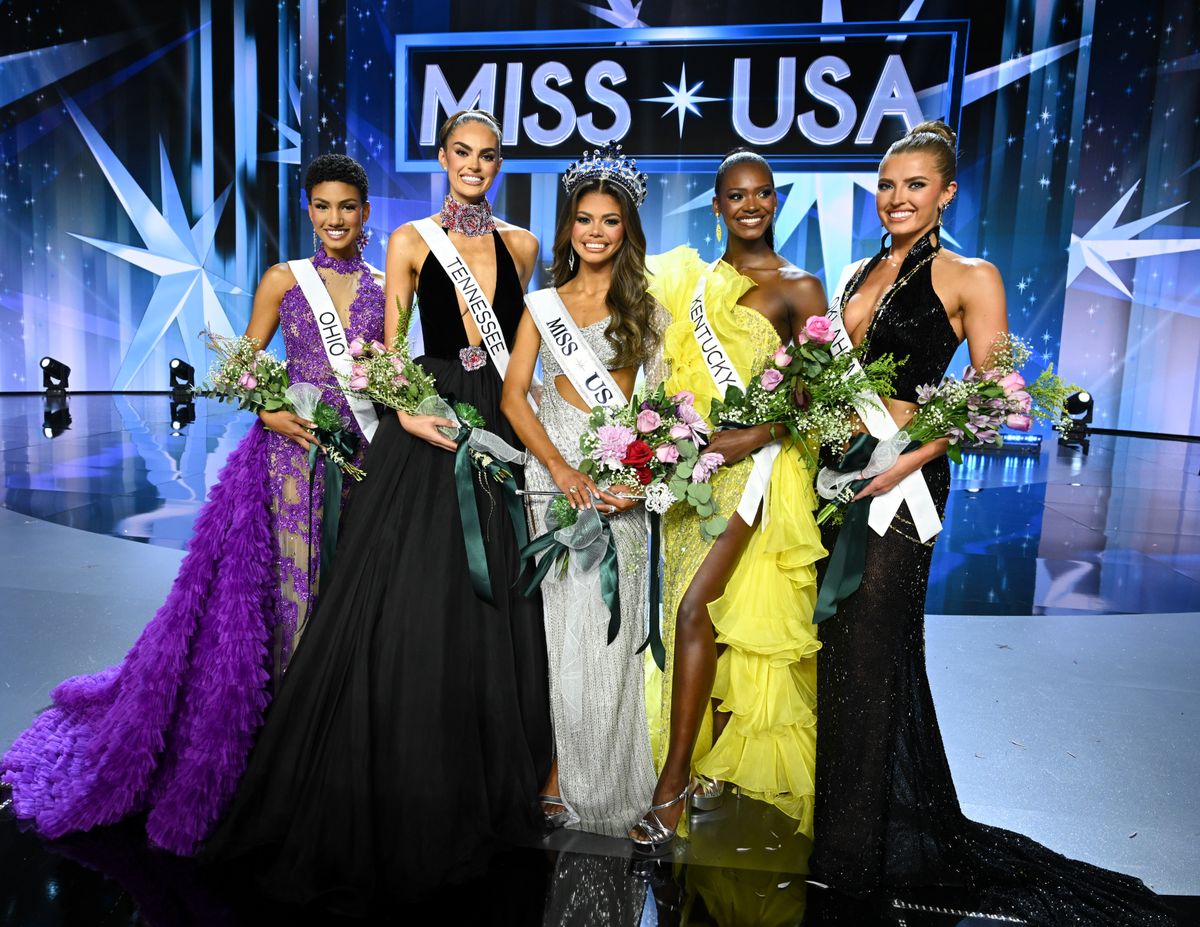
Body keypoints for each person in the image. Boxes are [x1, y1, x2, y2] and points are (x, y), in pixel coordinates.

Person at [811, 120, 1175, 924]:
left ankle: (853, 856)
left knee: (874, 644)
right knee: (841, 648)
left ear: (945, 193)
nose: (897, 198)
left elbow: (989, 389)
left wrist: (906, 456)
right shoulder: (858, 272)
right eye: (886, 184)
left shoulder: (971, 274)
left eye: (915, 185)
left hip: (906, 480)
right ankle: (844, 831)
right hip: (840, 475)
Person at [202, 110, 552, 912]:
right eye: (461, 152)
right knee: (408, 600)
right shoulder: (407, 240)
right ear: (442, 159)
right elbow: (392, 352)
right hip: (424, 420)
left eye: (487, 155)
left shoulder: (525, 246)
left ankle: (479, 772)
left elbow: (521, 350)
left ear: (499, 164)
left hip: (490, 416)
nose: (474, 164)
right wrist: (411, 413)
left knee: (487, 598)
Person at [0, 153, 385, 856]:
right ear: (308, 209)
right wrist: (269, 410)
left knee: (342, 592)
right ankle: (278, 738)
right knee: (279, 594)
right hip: (283, 463)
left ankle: (326, 729)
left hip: (355, 461)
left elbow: (383, 380)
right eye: (323, 206)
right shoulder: (282, 280)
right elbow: (241, 363)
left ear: (366, 212)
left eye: (348, 207)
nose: (335, 219)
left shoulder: (387, 289)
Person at [633, 150, 827, 849]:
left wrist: (750, 439)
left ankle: (673, 782)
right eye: (735, 196)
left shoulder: (801, 288)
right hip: (695, 471)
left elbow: (816, 404)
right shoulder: (689, 280)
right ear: (717, 206)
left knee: (694, 609)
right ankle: (700, 763)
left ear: (775, 202)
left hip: (760, 469)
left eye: (763, 194)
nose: (750, 205)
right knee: (694, 615)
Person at [501, 145, 665, 837]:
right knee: (555, 638)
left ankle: (611, 774)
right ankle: (559, 772)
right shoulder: (543, 304)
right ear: (568, 227)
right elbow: (514, 399)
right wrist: (562, 471)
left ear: (626, 229)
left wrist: (637, 479)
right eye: (584, 220)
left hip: (615, 487)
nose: (595, 232)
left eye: (610, 221)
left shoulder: (646, 310)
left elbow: (657, 409)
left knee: (608, 633)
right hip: (553, 477)